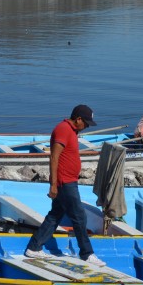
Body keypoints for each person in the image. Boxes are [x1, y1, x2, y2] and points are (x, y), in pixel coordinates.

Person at [24, 104, 105, 266]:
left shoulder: (71, 131)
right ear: (78, 119)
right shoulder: (63, 129)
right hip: (64, 182)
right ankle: (86, 253)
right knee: (79, 217)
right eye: (86, 123)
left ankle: (34, 247)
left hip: (68, 180)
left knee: (55, 215)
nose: (86, 127)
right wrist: (53, 184)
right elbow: (54, 157)